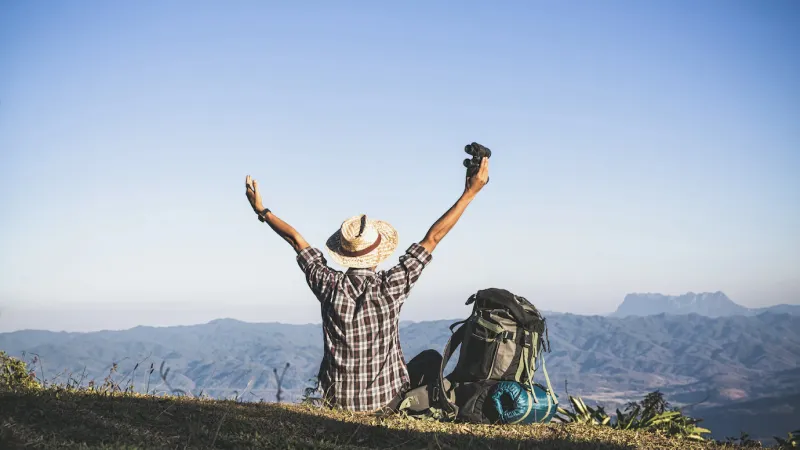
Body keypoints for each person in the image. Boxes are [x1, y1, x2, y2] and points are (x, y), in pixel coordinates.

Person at [244, 156, 490, 411]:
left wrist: (262, 211)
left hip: (337, 402)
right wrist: (469, 193)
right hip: (386, 403)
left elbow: (296, 240)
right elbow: (433, 237)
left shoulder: (327, 284)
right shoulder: (391, 286)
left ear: (344, 253)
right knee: (431, 360)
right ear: (378, 253)